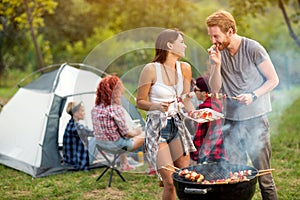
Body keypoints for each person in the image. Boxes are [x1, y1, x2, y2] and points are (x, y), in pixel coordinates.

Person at [206, 10, 279, 200]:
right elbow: (215, 88)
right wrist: (215, 65)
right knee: (236, 177)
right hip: (230, 121)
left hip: (255, 120)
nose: (213, 41)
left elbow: (273, 80)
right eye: (211, 36)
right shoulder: (217, 53)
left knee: (264, 176)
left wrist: (253, 95)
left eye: (216, 36)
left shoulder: (253, 48)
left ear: (230, 31)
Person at [136, 29, 196, 200]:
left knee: (185, 179)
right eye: (181, 42)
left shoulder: (185, 68)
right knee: (170, 183)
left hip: (177, 126)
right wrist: (156, 106)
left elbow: (184, 100)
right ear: (170, 45)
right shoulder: (151, 69)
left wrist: (195, 112)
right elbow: (140, 101)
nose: (184, 45)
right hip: (157, 128)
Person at [91, 75, 145, 172]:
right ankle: (152, 167)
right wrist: (137, 131)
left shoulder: (95, 109)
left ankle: (124, 165)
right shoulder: (115, 108)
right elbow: (127, 134)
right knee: (146, 136)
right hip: (117, 146)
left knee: (117, 136)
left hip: (101, 145)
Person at [190, 76, 228, 164]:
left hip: (207, 154)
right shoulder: (217, 103)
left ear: (204, 93)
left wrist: (195, 154)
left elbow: (200, 134)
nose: (194, 93)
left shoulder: (204, 109)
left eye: (196, 90)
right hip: (220, 151)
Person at [63, 101, 92, 171]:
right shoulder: (77, 127)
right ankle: (115, 156)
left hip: (70, 161)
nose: (84, 113)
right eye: (82, 111)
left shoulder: (70, 124)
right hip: (78, 162)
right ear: (75, 113)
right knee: (98, 139)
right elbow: (92, 133)